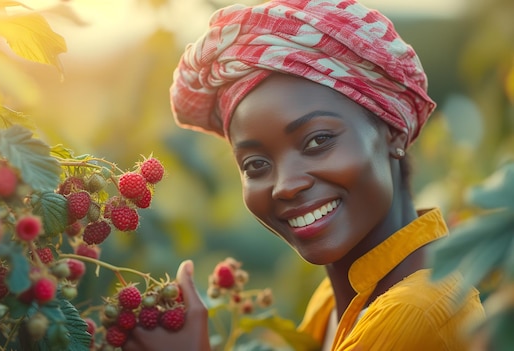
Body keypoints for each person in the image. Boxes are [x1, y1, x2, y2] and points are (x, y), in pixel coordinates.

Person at [124, 0, 485, 350]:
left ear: (394, 132)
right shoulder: (336, 297)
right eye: (256, 165)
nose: (286, 185)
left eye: (318, 141)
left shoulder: (415, 313)